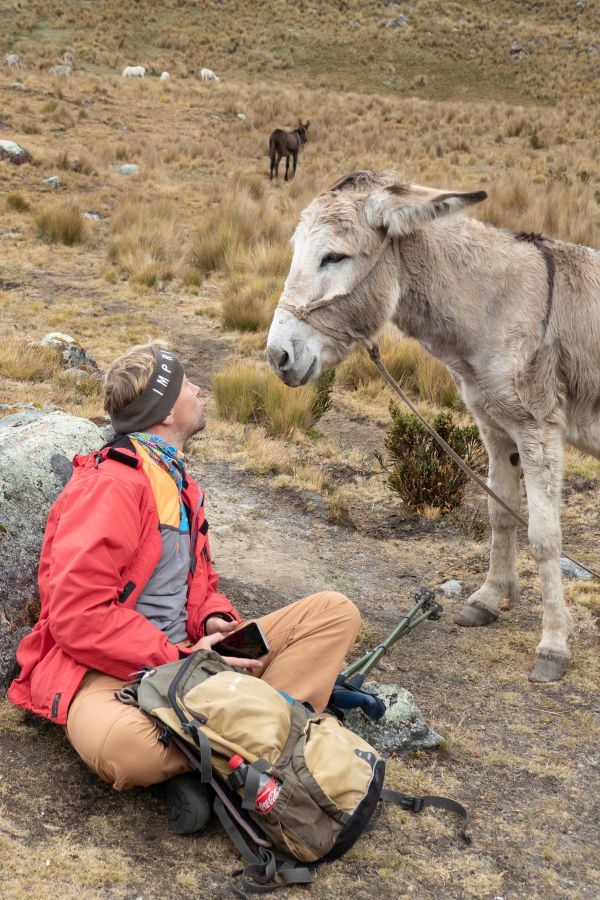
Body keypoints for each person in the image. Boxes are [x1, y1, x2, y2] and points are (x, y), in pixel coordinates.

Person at [8, 342, 361, 834]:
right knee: (126, 750)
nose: (198, 389)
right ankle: (264, 736)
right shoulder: (112, 486)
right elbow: (78, 615)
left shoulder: (176, 480)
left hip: (194, 661)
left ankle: (217, 751)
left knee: (334, 613)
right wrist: (180, 657)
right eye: (186, 384)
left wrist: (214, 619)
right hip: (110, 673)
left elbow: (200, 583)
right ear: (167, 411)